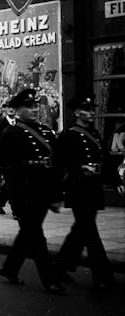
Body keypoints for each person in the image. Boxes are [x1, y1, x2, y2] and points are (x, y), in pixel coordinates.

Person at [0, 89, 65, 294]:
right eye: (29, 107)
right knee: (36, 236)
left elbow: (56, 165)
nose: (34, 110)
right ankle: (49, 280)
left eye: (36, 106)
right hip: (24, 194)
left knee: (28, 234)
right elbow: (3, 166)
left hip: (43, 191)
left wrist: (57, 195)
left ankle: (9, 268)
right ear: (17, 110)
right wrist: (0, 194)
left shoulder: (45, 132)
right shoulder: (12, 133)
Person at [54, 96, 123, 291]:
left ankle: (59, 268)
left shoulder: (94, 133)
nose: (92, 112)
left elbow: (106, 159)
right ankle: (103, 276)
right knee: (91, 234)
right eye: (87, 109)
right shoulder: (69, 135)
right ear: (77, 113)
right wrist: (79, 167)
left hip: (93, 189)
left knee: (80, 231)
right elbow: (60, 163)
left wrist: (116, 180)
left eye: (92, 109)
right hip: (78, 189)